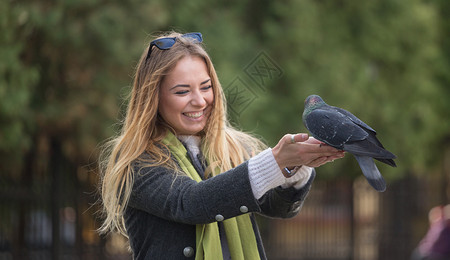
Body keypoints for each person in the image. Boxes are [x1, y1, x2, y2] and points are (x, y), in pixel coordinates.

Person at [98, 31, 345, 259]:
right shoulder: (136, 161)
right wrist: (276, 161)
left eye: (206, 87)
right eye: (182, 92)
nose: (199, 101)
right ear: (153, 97)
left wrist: (293, 168)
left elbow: (279, 208)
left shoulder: (233, 147)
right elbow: (191, 202)